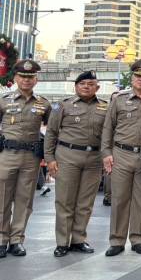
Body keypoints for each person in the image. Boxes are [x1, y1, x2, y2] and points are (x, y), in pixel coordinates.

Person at [102, 59, 141, 256]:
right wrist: (106, 153)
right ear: (132, 77)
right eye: (137, 76)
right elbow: (108, 128)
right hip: (121, 154)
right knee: (119, 198)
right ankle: (117, 240)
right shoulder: (119, 99)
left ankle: (137, 238)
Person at [44, 70, 107, 257]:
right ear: (76, 86)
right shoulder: (62, 105)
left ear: (97, 87)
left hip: (94, 159)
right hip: (67, 156)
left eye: (90, 84)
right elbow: (51, 133)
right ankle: (62, 242)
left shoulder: (106, 107)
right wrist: (49, 159)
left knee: (85, 203)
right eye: (82, 84)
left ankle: (78, 239)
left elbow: (109, 135)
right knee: (65, 201)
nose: (86, 87)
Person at [0, 59, 51, 258]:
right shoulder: (4, 100)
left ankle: (17, 240)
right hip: (7, 155)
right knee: (2, 198)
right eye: (22, 76)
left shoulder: (44, 103)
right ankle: (1, 239)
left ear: (36, 79)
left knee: (25, 200)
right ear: (15, 78)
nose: (26, 80)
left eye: (30, 77)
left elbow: (51, 129)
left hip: (31, 157)